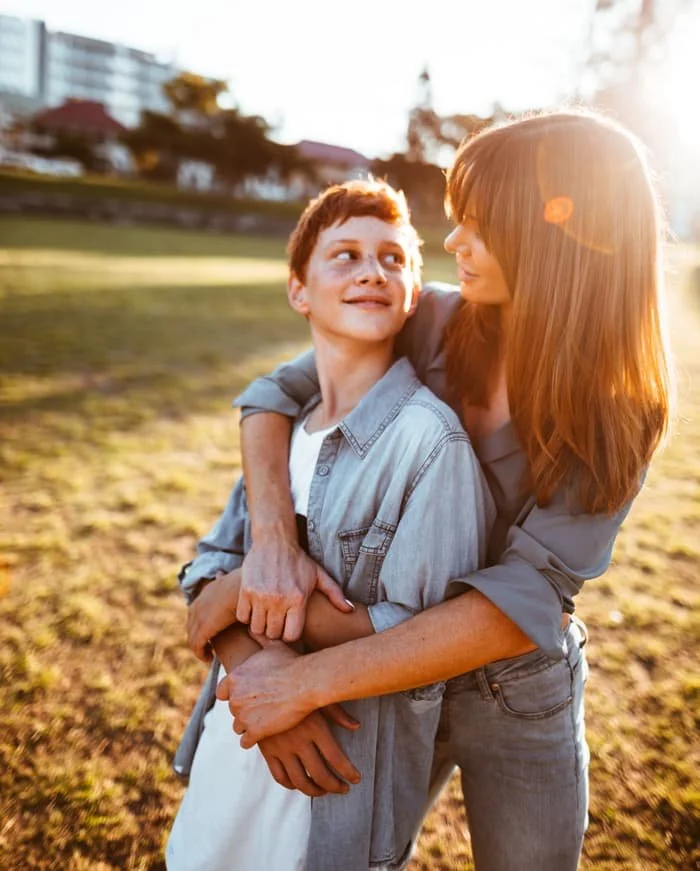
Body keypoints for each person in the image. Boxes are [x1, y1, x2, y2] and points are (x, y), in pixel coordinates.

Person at [214, 109, 674, 871]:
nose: (453, 241)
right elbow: (274, 394)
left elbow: (523, 598)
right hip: (385, 676)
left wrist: (303, 681)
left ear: (556, 238)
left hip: (518, 698)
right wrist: (269, 541)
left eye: (481, 224)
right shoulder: (430, 318)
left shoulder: (621, 407)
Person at [166, 179, 495, 871]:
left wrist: (241, 604)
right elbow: (206, 567)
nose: (373, 271)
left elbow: (421, 643)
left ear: (412, 295)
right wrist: (254, 666)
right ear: (298, 290)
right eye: (344, 255)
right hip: (242, 736)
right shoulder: (283, 429)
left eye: (394, 260)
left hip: (337, 783)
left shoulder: (432, 445)